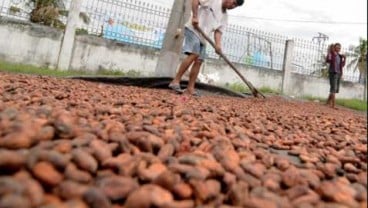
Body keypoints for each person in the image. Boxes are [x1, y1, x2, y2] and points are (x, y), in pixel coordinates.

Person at [168, 0, 244, 96]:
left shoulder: (224, 17)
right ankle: (175, 81)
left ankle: (190, 88)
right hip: (193, 29)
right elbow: (196, 1)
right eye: (234, 3)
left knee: (199, 61)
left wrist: (218, 45)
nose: (233, 6)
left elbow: (218, 31)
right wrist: (195, 16)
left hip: (203, 37)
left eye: (236, 6)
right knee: (194, 54)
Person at [325, 43, 346, 108]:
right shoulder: (332, 54)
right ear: (334, 48)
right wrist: (330, 52)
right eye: (337, 48)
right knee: (333, 88)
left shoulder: (340, 56)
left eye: (339, 48)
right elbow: (328, 60)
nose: (338, 49)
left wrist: (345, 59)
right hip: (333, 73)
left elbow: (342, 65)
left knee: (335, 89)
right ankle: (333, 105)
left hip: (338, 73)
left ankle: (327, 103)